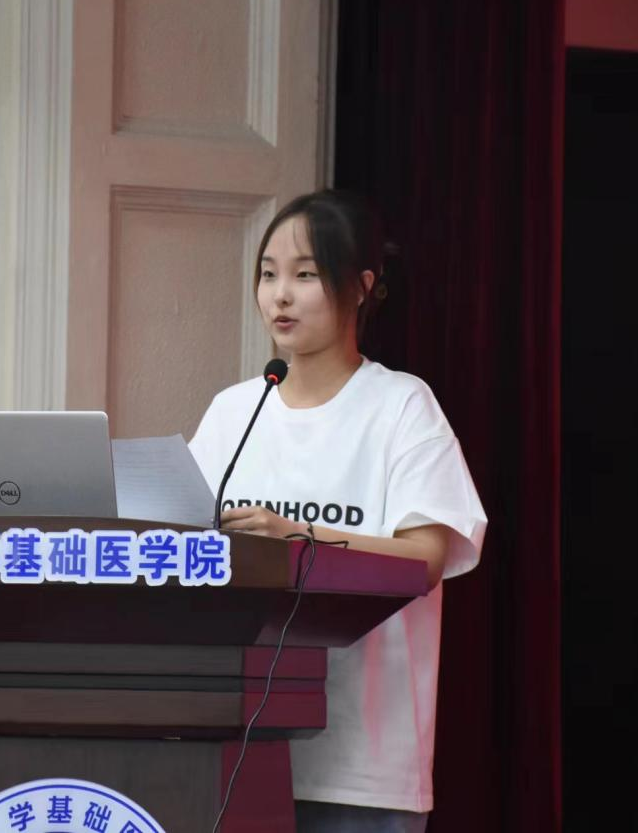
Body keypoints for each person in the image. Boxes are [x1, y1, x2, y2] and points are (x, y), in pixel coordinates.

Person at [188, 190, 487, 833]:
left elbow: (427, 558)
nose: (280, 296)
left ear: (361, 287)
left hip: (362, 766)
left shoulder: (402, 407)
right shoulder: (235, 412)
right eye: (268, 274)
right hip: (236, 746)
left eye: (305, 274)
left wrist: (296, 536)